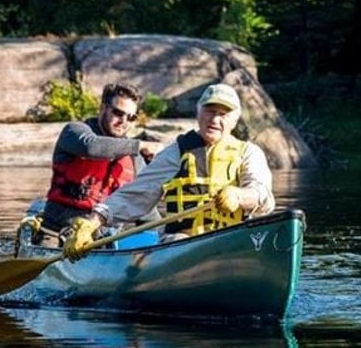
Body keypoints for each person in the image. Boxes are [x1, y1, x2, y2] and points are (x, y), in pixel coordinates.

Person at [63, 83, 275, 259]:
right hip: (181, 243)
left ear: (234, 120)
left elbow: (263, 196)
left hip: (230, 241)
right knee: (178, 242)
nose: (215, 119)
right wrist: (92, 222)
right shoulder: (176, 152)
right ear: (198, 112)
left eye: (223, 114)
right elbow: (136, 193)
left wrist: (240, 196)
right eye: (210, 111)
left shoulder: (249, 153)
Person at [41, 82, 156, 235]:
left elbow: (145, 208)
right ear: (102, 109)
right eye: (118, 113)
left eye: (131, 117)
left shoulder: (134, 158)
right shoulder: (74, 132)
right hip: (58, 231)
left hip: (106, 240)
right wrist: (139, 145)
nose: (124, 121)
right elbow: (91, 147)